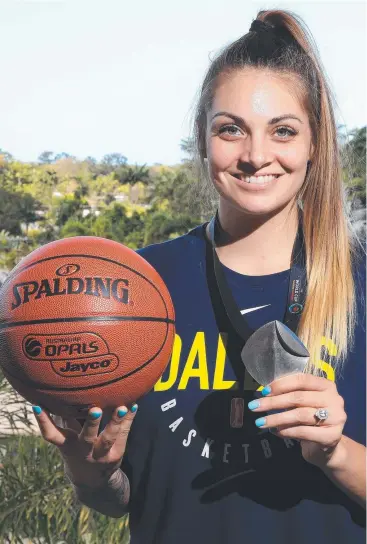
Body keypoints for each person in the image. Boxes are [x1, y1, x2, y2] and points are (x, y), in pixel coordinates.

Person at [32, 9, 366, 544]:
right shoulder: (134, 286)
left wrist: (336, 451)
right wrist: (91, 470)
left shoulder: (360, 278)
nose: (257, 156)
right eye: (231, 129)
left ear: (314, 143)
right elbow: (120, 499)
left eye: (283, 130)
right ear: (203, 138)